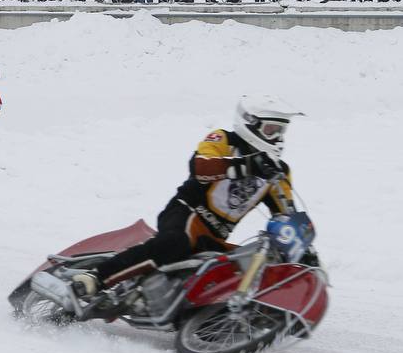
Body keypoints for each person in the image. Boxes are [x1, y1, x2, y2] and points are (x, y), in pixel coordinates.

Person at [68, 97, 306, 300]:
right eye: (271, 130)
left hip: (214, 237)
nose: (278, 138)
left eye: (281, 131)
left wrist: (302, 247)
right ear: (250, 124)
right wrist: (246, 165)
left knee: (248, 265)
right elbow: (200, 168)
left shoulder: (278, 171)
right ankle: (96, 278)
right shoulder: (224, 139)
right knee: (175, 243)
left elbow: (285, 215)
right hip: (186, 214)